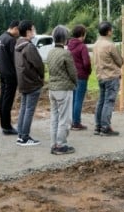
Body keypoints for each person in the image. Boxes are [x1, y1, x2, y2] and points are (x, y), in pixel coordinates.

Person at [47, 25, 77, 155]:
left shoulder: (50, 52)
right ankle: (61, 145)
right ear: (65, 38)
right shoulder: (66, 53)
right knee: (65, 118)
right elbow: (72, 73)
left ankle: (54, 143)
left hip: (52, 89)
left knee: (54, 117)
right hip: (63, 89)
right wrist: (75, 83)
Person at [14, 20, 44, 146]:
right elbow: (38, 64)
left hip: (23, 81)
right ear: (28, 31)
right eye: (33, 29)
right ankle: (25, 137)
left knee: (24, 108)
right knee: (29, 109)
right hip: (32, 82)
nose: (34, 31)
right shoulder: (29, 46)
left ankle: (21, 135)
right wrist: (41, 77)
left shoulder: (17, 45)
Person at [93, 21, 123, 136]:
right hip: (111, 76)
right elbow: (119, 62)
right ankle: (105, 127)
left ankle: (98, 126)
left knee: (101, 101)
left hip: (100, 76)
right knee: (108, 102)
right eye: (111, 29)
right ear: (108, 31)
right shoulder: (110, 45)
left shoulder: (95, 45)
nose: (112, 31)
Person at [0, 20, 20, 135]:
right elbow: (15, 59)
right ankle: (7, 126)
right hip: (11, 74)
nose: (18, 33)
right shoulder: (11, 40)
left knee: (2, 99)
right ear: (15, 28)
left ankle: (4, 124)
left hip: (2, 72)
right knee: (7, 100)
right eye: (18, 31)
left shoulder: (1, 38)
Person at [67, 24, 92, 130]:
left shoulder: (69, 45)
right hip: (81, 76)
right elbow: (86, 63)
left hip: (71, 75)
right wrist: (88, 71)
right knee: (79, 100)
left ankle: (72, 121)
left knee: (72, 99)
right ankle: (76, 122)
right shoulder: (82, 46)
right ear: (82, 34)